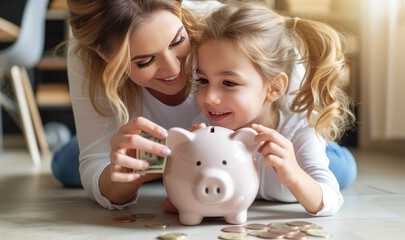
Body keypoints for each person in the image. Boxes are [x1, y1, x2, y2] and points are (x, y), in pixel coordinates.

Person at [53, 0, 356, 209]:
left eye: (177, 41)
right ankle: (74, 142)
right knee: (69, 168)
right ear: (105, 57)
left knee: (334, 172)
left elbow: (300, 113)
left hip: (270, 127)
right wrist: (146, 169)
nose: (174, 70)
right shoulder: (88, 55)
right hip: (166, 148)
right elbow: (99, 165)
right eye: (144, 61)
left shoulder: (226, 28)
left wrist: (297, 166)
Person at [191, 1, 356, 215]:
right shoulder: (205, 129)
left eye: (229, 83)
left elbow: (331, 200)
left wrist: (294, 174)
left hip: (315, 144)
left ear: (274, 88)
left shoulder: (300, 131)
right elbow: (180, 200)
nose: (210, 98)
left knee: (344, 169)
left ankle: (331, 148)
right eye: (203, 80)